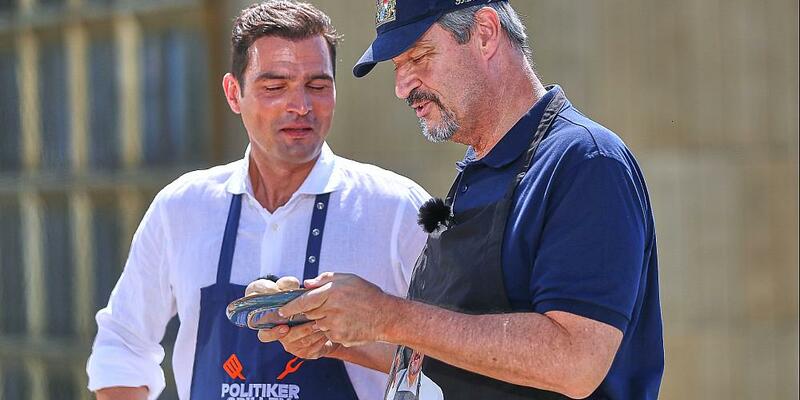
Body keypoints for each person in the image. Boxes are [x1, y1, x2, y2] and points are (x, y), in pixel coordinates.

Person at [258, 1, 664, 399]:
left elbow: (575, 361)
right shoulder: (481, 169)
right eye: (398, 66)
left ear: (485, 33)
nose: (402, 87)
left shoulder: (586, 162)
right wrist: (336, 333)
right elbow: (458, 353)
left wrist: (387, 314)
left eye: (418, 57)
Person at [85, 1, 429, 399]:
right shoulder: (181, 208)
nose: (300, 106)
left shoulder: (396, 210)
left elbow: (455, 359)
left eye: (318, 85)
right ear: (234, 93)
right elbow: (122, 345)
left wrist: (347, 342)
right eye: (274, 87)